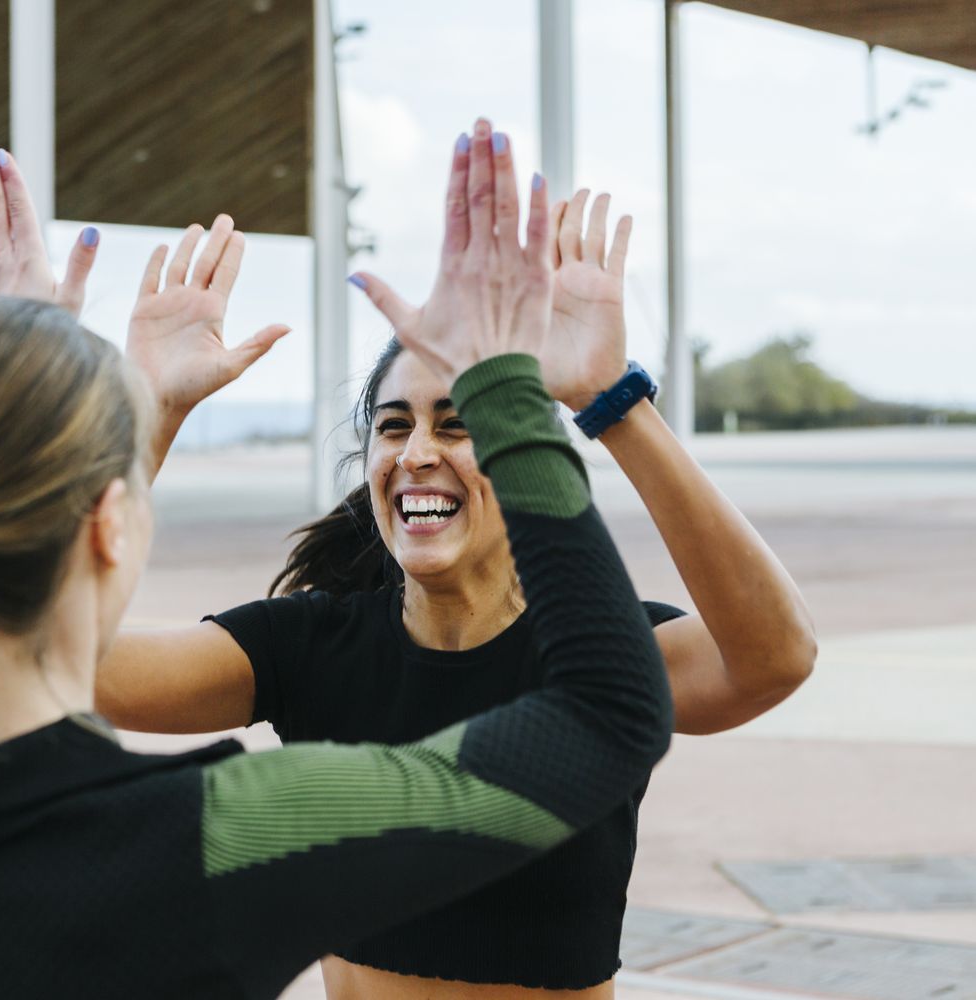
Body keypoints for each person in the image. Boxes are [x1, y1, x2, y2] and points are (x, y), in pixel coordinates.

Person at [0, 127, 675, 999]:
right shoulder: (211, 836)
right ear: (110, 526)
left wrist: (0, 381)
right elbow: (608, 714)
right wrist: (501, 381)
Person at [91, 122, 819, 997]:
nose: (419, 450)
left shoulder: (599, 663)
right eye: (395, 426)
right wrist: (147, 417)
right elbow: (52, 661)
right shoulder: (306, 649)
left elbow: (775, 657)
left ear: (518, 453)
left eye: (461, 420)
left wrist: (605, 398)